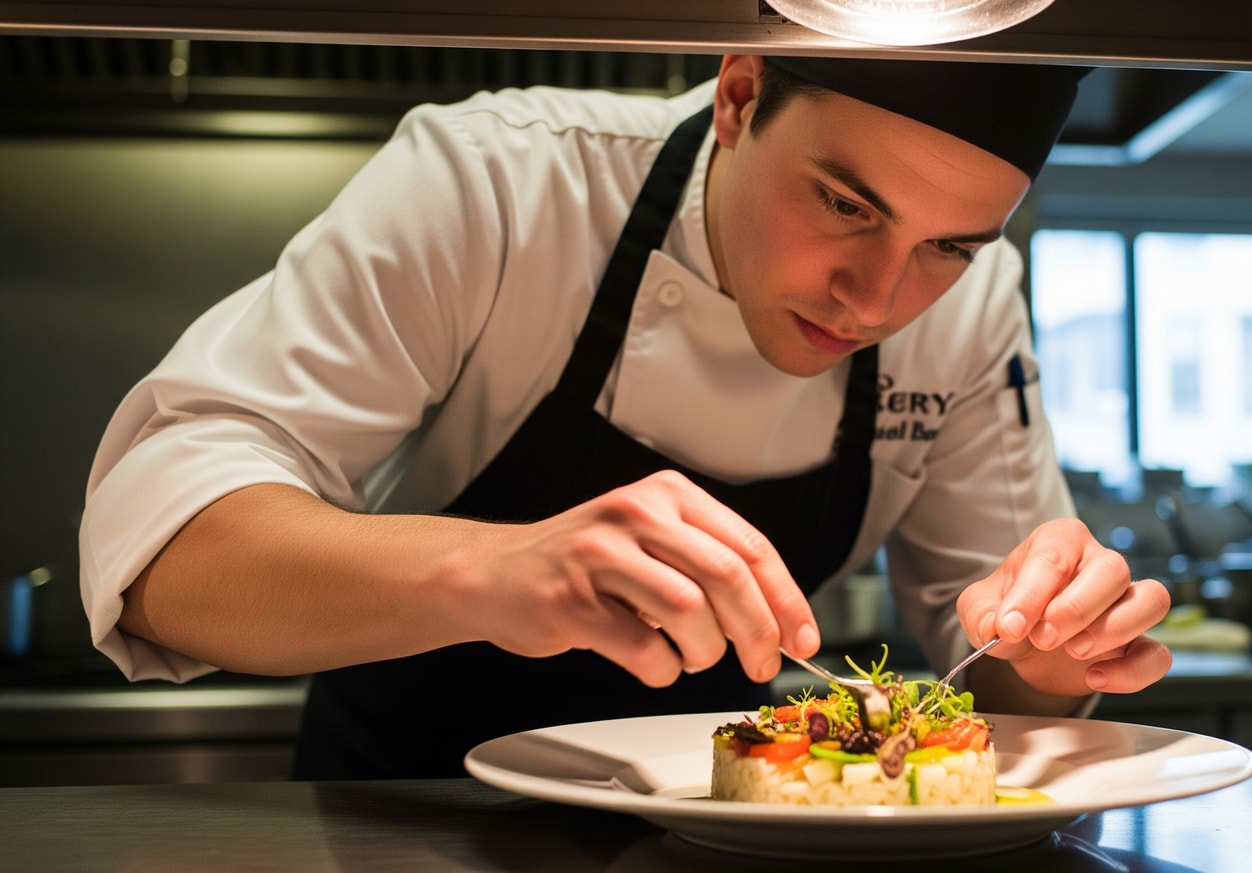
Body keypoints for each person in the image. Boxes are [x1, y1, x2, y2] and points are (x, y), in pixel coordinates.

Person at [79, 54, 1173, 779]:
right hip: (403, 823)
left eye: (948, 246)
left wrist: (1061, 649)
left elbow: (989, 663)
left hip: (744, 843)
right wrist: (494, 573)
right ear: (737, 98)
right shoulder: (500, 182)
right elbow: (164, 558)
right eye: (845, 205)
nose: (878, 301)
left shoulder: (976, 306)